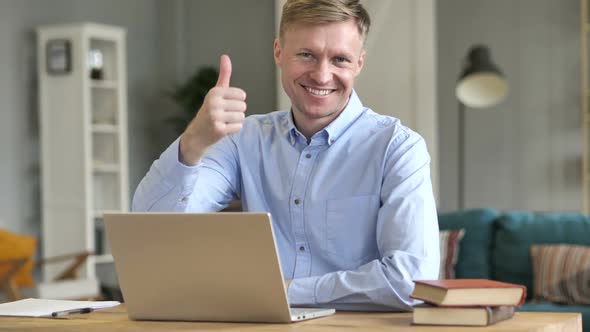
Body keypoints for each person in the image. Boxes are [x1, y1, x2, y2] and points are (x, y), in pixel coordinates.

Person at [132, 0, 439, 311]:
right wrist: (194, 141)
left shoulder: (397, 148)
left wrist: (284, 291)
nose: (322, 75)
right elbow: (150, 228)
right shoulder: (243, 141)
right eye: (307, 54)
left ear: (358, 64)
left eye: (340, 60)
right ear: (278, 52)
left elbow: (412, 281)